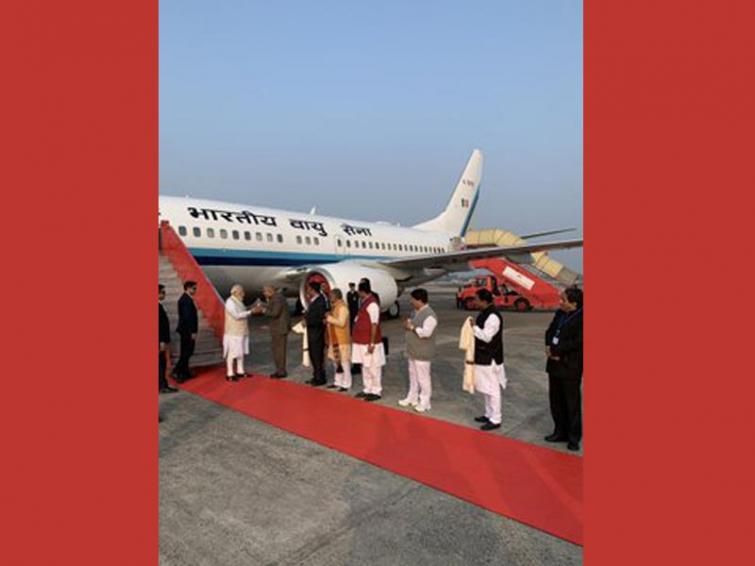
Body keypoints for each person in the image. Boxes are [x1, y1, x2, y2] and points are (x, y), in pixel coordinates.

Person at [544, 287, 584, 451]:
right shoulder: (560, 313)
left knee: (571, 403)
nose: (560, 302)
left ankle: (573, 437)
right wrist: (548, 346)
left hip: (570, 365)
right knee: (556, 401)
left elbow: (578, 341)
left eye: (564, 300)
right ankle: (559, 431)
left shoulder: (582, 317)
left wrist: (557, 351)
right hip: (554, 364)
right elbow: (550, 331)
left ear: (574, 304)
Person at [472, 289, 507, 431]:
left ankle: (496, 418)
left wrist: (473, 327)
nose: (474, 302)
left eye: (476, 299)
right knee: (486, 387)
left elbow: (487, 337)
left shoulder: (493, 316)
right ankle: (488, 413)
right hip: (483, 356)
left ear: (484, 301)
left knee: (492, 389)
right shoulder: (484, 313)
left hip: (490, 357)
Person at [399, 288, 437, 412]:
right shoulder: (416, 312)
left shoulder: (430, 315)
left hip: (423, 352)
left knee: (423, 378)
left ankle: (425, 402)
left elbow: (426, 333)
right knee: (413, 376)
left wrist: (412, 328)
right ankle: (412, 397)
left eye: (413, 299)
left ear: (419, 300)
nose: (411, 302)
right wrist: (408, 325)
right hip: (413, 351)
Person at [352, 280, 386, 401]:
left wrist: (372, 342)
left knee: (373, 366)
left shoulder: (372, 305)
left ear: (362, 291)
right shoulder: (365, 302)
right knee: (365, 366)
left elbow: (374, 324)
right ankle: (367, 388)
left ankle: (376, 390)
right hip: (361, 341)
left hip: (369, 342)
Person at [253, 285, 290, 378]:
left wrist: (263, 310)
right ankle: (279, 370)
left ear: (270, 291)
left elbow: (275, 313)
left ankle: (281, 371)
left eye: (264, 292)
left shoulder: (277, 299)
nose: (264, 294)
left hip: (279, 329)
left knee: (279, 351)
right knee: (277, 350)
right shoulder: (276, 298)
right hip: (278, 328)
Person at [223, 284, 253, 382]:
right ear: (236, 292)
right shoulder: (230, 302)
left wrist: (251, 309)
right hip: (233, 332)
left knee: (241, 352)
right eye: (241, 292)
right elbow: (236, 315)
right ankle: (230, 373)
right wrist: (251, 312)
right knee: (232, 353)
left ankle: (240, 371)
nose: (243, 294)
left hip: (242, 331)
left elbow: (243, 311)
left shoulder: (239, 301)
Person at [326, 288, 352, 391]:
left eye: (331, 296)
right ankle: (338, 381)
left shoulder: (343, 308)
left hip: (342, 339)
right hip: (334, 339)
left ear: (336, 296)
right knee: (336, 362)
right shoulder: (335, 307)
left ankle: (346, 383)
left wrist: (329, 318)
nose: (330, 298)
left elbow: (341, 323)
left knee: (344, 362)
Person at [304, 281, 328, 386]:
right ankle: (316, 375)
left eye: (308, 289)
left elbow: (321, 319)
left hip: (317, 333)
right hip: (312, 332)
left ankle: (320, 378)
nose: (307, 291)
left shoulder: (320, 301)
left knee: (317, 356)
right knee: (313, 356)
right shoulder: (313, 301)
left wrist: (308, 321)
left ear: (313, 290)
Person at [174, 280, 198, 383]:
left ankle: (184, 371)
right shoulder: (185, 300)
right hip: (186, 331)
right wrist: (192, 331)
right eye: (194, 288)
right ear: (188, 288)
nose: (195, 290)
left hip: (186, 330)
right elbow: (188, 318)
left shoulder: (186, 299)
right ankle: (178, 372)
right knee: (186, 352)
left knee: (187, 352)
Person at [159, 284, 178, 394]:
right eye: (163, 292)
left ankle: (162, 384)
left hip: (161, 340)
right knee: (161, 363)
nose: (164, 294)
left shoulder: (159, 306)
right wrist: (161, 341)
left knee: (161, 362)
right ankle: (162, 385)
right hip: (159, 341)